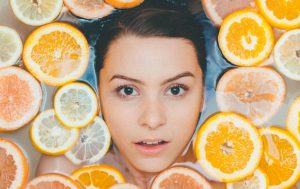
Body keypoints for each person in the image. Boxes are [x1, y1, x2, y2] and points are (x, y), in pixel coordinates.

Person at [37, 4, 225, 189]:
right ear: (97, 95)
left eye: (175, 90)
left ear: (202, 95)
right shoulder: (64, 175)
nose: (152, 120)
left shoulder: (235, 180)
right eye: (128, 90)